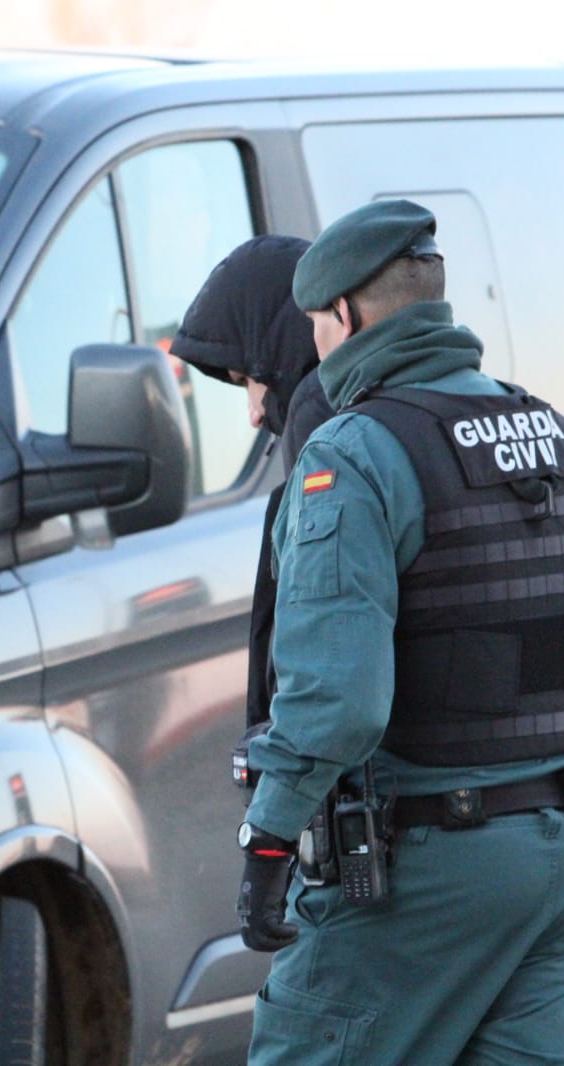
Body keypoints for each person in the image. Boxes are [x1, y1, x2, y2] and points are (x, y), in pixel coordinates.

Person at [234, 199, 564, 1064]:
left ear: (342, 316)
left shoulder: (353, 452)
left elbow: (337, 701)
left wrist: (268, 837)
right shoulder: (552, 434)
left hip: (427, 872)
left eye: (314, 326)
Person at [170, 234, 337, 733]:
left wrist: (270, 809)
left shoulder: (325, 428)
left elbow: (323, 678)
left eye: (249, 379)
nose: (254, 412)